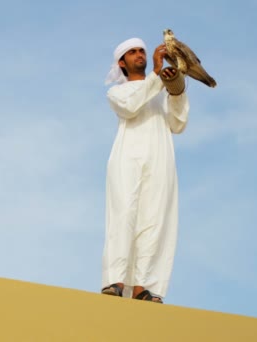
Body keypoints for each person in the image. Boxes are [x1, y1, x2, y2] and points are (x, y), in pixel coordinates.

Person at [100, 37, 189, 303]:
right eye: (133, 52)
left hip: (160, 156)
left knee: (155, 219)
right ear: (122, 62)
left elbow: (178, 123)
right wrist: (155, 74)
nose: (139, 54)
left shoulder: (159, 90)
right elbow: (130, 107)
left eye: (142, 50)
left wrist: (176, 90)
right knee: (124, 214)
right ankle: (115, 281)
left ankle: (143, 287)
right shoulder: (117, 92)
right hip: (128, 157)